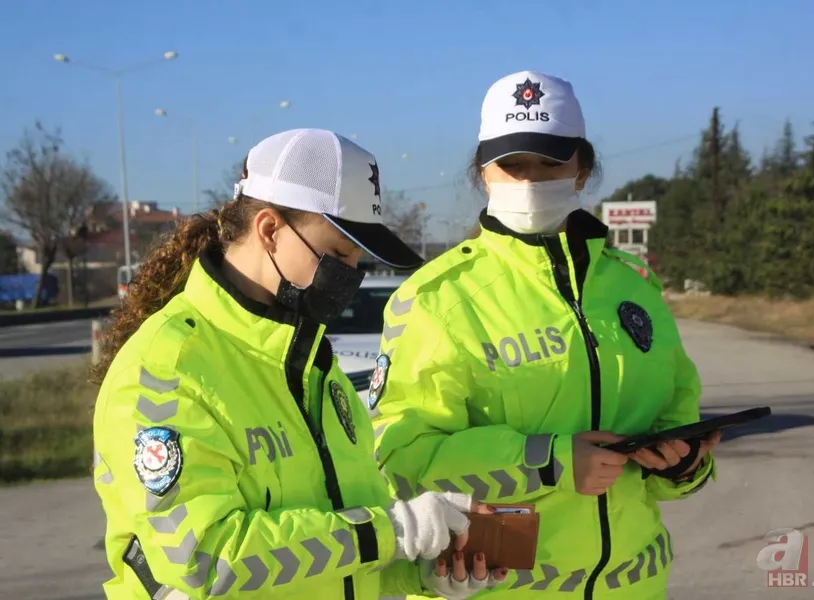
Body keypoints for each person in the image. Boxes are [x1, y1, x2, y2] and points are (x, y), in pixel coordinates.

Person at [90, 128, 507, 599]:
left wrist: (421, 573)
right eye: (338, 253)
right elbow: (204, 561)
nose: (350, 273)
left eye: (358, 259)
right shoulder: (165, 370)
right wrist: (393, 530)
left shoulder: (315, 370)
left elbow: (342, 552)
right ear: (269, 229)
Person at [369, 72, 720, 599]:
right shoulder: (435, 299)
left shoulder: (635, 287)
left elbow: (677, 413)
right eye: (513, 165)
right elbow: (402, 462)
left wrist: (684, 464)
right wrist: (549, 461)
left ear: (582, 169)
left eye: (550, 162)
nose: (530, 180)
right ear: (483, 172)